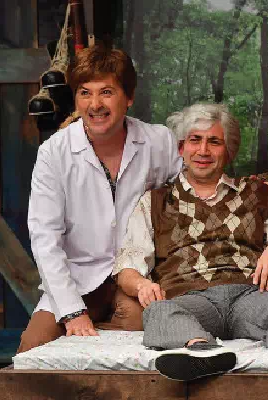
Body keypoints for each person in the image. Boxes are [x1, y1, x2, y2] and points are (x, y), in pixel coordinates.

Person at [113, 103, 268, 382]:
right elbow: (127, 265)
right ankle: (201, 350)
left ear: (229, 151)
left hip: (250, 294)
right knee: (159, 312)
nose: (203, 151)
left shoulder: (258, 193)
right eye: (195, 140)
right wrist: (142, 285)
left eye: (214, 142)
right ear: (181, 148)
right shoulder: (155, 201)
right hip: (189, 299)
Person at [17, 46, 182, 353]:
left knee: (145, 338)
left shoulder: (159, 142)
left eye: (106, 92)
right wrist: (72, 312)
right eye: (85, 93)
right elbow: (45, 239)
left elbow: (189, 200)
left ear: (129, 97)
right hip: (76, 280)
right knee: (33, 347)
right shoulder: (54, 152)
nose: (95, 105)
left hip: (139, 276)